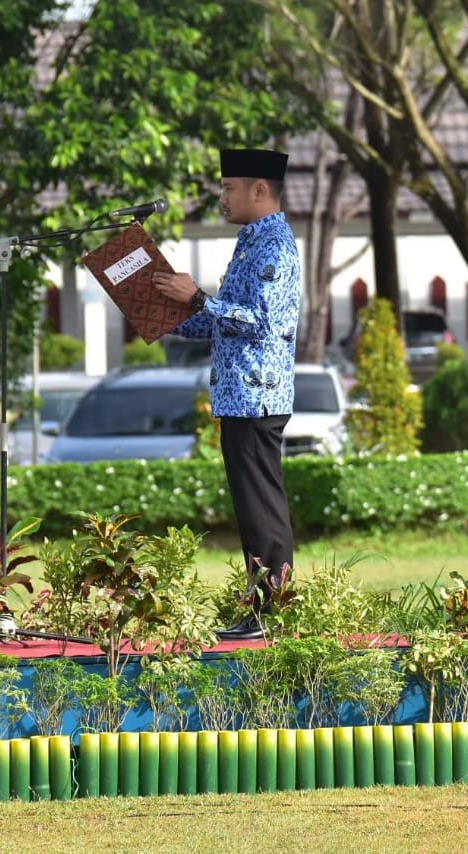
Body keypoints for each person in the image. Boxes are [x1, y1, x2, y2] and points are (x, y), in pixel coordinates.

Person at [151, 148, 301, 641]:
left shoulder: (274, 246)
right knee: (252, 504)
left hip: (257, 396)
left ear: (260, 190)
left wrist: (195, 296)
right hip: (240, 397)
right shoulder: (251, 242)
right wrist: (165, 317)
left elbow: (264, 323)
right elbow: (225, 324)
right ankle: (262, 608)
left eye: (229, 187)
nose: (222, 197)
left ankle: (272, 613)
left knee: (262, 505)